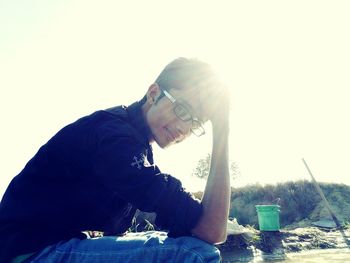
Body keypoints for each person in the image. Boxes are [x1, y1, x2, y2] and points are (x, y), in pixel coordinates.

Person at [0, 57, 231, 263]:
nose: (184, 128)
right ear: (153, 94)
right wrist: (222, 129)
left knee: (180, 245)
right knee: (194, 254)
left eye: (195, 122)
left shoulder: (136, 144)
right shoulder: (116, 138)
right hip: (31, 252)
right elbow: (212, 231)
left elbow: (195, 227)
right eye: (181, 109)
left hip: (46, 246)